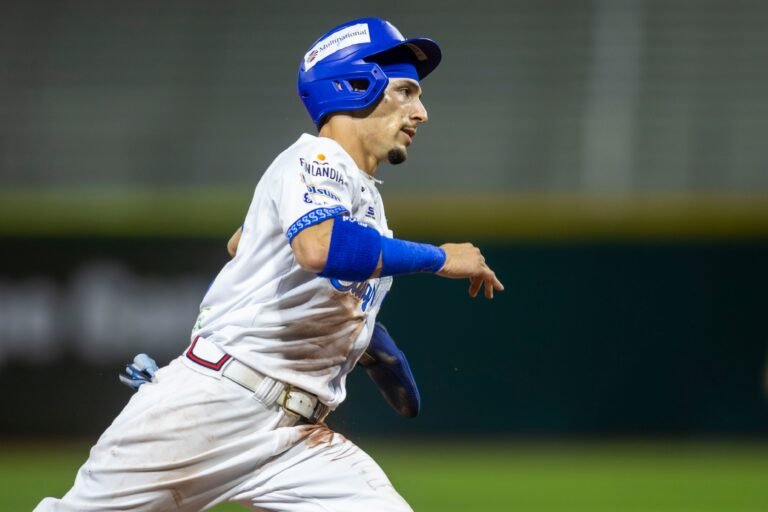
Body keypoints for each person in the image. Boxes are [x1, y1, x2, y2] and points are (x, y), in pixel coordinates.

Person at [36, 17, 503, 511]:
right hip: (210, 409)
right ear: (354, 84)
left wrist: (376, 350)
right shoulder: (314, 160)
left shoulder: (364, 204)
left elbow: (304, 272)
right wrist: (440, 258)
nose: (421, 112)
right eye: (406, 91)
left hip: (292, 439)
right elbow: (319, 249)